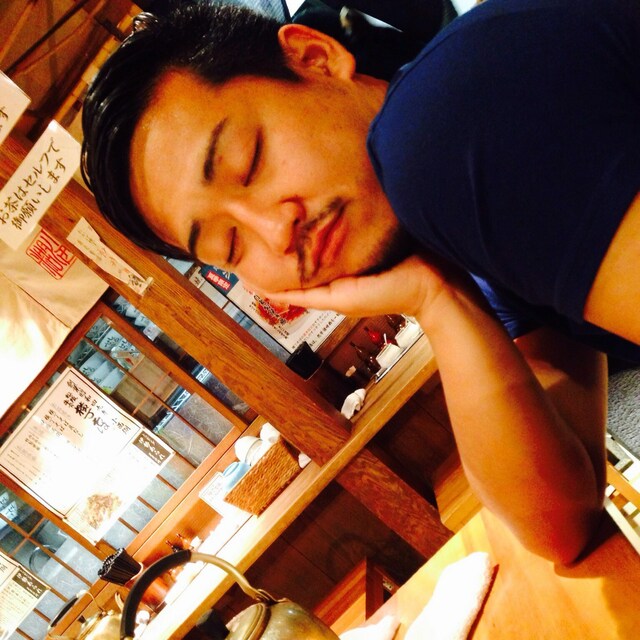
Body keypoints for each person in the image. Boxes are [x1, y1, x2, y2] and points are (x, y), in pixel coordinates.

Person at [80, 0, 640, 564]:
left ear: (315, 57)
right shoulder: (448, 228)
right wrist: (437, 300)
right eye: (230, 245)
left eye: (249, 161)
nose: (276, 231)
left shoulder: (438, 126)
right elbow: (560, 524)